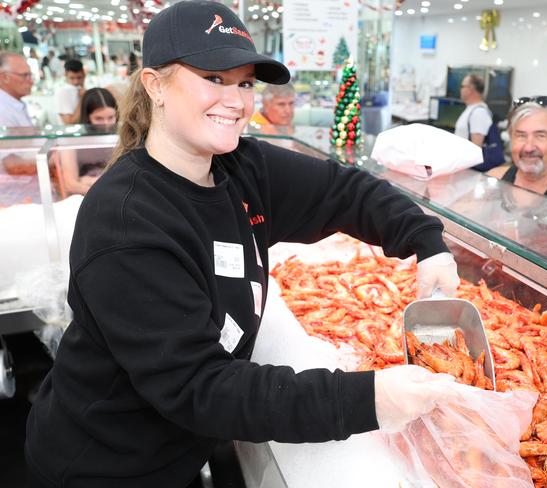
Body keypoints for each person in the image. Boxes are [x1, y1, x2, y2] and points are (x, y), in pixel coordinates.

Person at [25, 2, 461, 487]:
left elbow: (345, 191)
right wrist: (370, 398)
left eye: (245, 83)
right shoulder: (125, 222)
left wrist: (427, 243)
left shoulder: (240, 167)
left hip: (180, 450)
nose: (235, 100)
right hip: (104, 466)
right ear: (154, 85)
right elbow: (201, 387)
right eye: (214, 77)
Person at [57, 88, 117, 195]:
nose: (106, 124)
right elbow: (71, 184)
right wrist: (108, 191)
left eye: (111, 117)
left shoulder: (120, 137)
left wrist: (88, 180)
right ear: (87, 118)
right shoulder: (71, 140)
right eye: (98, 119)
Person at [454, 73, 492, 147]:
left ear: (471, 89)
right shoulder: (472, 109)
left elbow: (477, 147)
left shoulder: (479, 112)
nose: (460, 89)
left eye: (462, 86)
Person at [0, 51, 34, 128]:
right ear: (4, 77)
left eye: (30, 75)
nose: (31, 81)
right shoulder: (3, 111)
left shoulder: (13, 104)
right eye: (24, 75)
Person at [55, 59, 86, 124]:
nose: (76, 82)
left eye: (79, 78)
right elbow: (69, 122)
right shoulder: (63, 92)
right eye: (72, 78)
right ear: (65, 74)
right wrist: (83, 98)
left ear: (83, 74)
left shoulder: (80, 89)